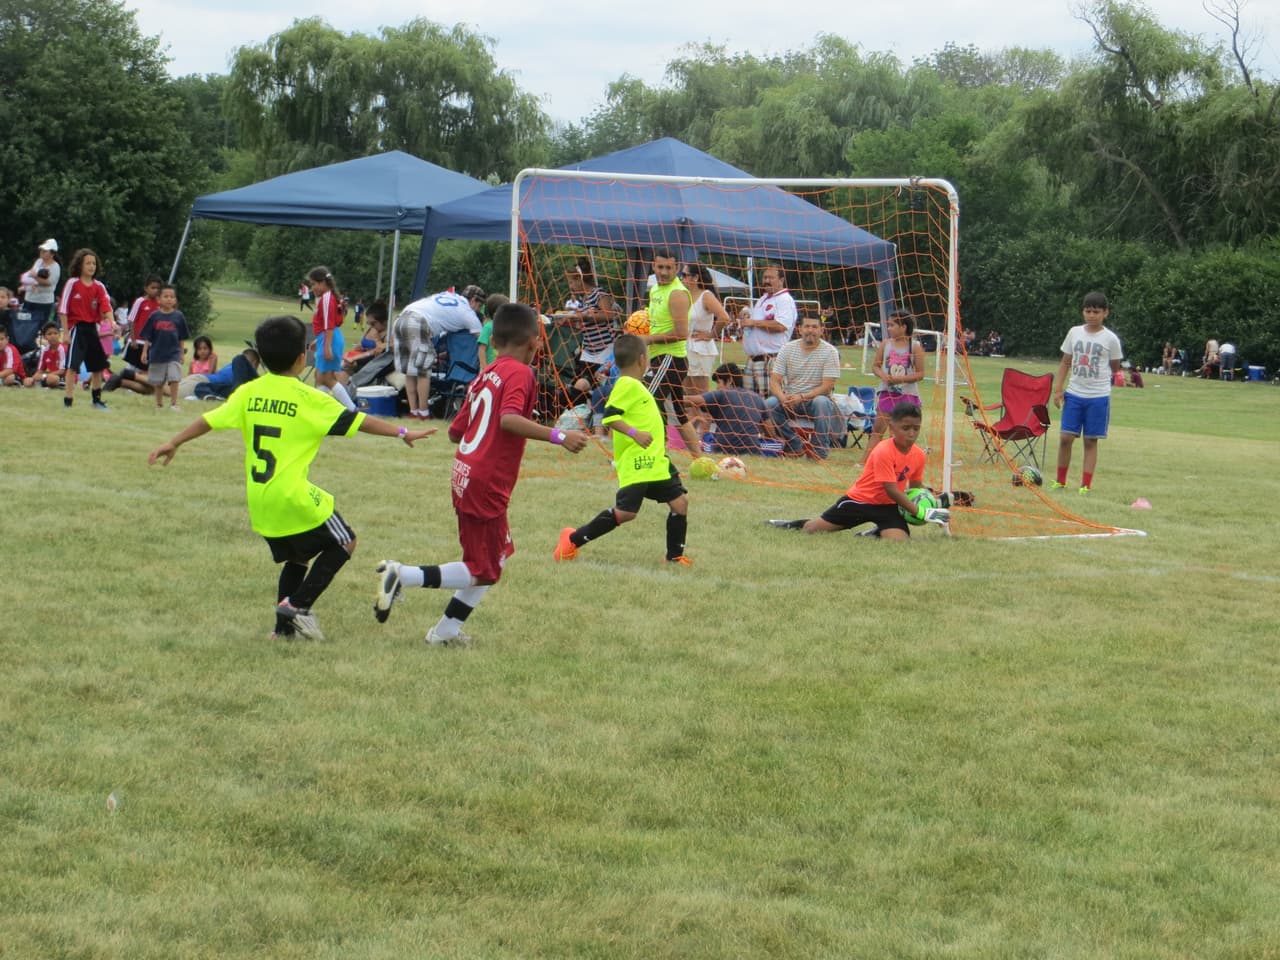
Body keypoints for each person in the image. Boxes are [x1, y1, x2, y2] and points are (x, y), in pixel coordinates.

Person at [149, 314, 436, 641]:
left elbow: (208, 420)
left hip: (261, 499)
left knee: (300, 556)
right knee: (345, 541)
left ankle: (282, 631)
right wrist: (402, 431)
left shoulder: (249, 392)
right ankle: (298, 606)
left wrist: (174, 441)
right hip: (293, 495)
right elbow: (358, 420)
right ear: (303, 358)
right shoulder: (308, 399)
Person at [372, 303, 588, 645]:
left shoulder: (485, 373)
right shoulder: (520, 373)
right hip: (485, 481)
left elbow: (455, 432)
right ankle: (402, 575)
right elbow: (508, 419)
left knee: (497, 557)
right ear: (534, 342)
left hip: (466, 474)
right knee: (482, 569)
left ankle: (445, 632)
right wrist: (559, 436)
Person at [553, 333, 693, 567]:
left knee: (680, 503)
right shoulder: (626, 385)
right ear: (642, 359)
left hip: (656, 461)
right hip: (638, 462)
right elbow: (610, 417)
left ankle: (675, 558)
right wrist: (634, 434)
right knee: (626, 513)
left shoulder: (635, 385)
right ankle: (572, 539)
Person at [766, 403, 948, 538]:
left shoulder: (919, 455)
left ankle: (873, 533)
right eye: (906, 428)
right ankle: (788, 524)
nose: (911, 434)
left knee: (899, 541)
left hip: (888, 507)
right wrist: (920, 512)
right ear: (892, 428)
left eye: (916, 429)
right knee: (813, 530)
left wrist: (931, 504)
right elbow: (891, 489)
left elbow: (916, 488)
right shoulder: (883, 450)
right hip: (860, 501)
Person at [1052, 291, 1123, 494]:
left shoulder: (1110, 339)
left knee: (1090, 440)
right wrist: (1058, 390)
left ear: (1105, 313)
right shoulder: (1075, 332)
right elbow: (1066, 362)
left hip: (1098, 396)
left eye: (1096, 312)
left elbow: (1115, 365)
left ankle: (1085, 485)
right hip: (1074, 393)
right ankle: (1060, 481)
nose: (1091, 315)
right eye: (1088, 311)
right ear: (1083, 312)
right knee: (1066, 437)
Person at [392, 285, 485, 419]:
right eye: (479, 304)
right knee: (423, 372)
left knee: (410, 371)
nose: (478, 309)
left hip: (401, 318)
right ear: (474, 300)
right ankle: (424, 412)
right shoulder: (468, 314)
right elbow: (482, 339)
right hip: (419, 323)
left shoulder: (450, 296)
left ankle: (413, 411)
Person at [642, 249, 700, 451]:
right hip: (661, 357)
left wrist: (648, 339)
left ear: (677, 268)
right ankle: (702, 460)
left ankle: (655, 451)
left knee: (645, 399)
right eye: (660, 267)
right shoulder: (655, 289)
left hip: (672, 359)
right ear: (653, 266)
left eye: (669, 267)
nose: (664, 272)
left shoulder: (677, 294)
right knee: (678, 414)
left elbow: (682, 332)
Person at [766, 315, 843, 458]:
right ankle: (794, 444)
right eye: (807, 326)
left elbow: (827, 386)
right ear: (799, 329)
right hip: (790, 399)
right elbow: (774, 381)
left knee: (822, 402)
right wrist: (783, 399)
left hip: (814, 400)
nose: (810, 330)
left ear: (822, 330)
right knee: (769, 404)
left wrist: (801, 397)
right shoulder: (787, 348)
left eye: (814, 327)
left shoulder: (830, 352)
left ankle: (819, 450)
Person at [862, 310, 927, 463]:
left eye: (892, 325)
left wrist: (901, 379)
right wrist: (883, 375)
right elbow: (876, 366)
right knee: (878, 429)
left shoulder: (915, 347)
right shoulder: (886, 344)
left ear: (903, 327)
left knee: (902, 431)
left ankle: (901, 461)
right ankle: (865, 461)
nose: (889, 328)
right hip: (887, 393)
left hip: (907, 395)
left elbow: (920, 374)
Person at [58, 248, 113, 410]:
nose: (91, 266)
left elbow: (106, 306)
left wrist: (112, 321)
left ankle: (96, 400)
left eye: (94, 263)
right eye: (87, 263)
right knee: (72, 366)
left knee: (98, 367)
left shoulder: (99, 286)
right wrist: (66, 332)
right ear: (80, 265)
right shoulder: (72, 283)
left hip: (92, 329)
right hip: (77, 329)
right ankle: (68, 400)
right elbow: (63, 309)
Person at [684, 362, 768, 455]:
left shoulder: (722, 394)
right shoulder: (758, 399)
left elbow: (689, 400)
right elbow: (770, 431)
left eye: (718, 383)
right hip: (753, 453)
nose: (717, 387)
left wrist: (667, 398)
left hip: (722, 451)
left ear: (730, 380)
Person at [738, 264, 797, 397]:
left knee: (769, 402)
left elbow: (781, 326)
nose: (766, 281)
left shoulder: (785, 300)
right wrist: (747, 315)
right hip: (753, 359)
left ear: (781, 280)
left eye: (771, 277)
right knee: (750, 403)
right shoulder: (763, 298)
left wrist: (753, 322)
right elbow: (756, 322)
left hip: (770, 360)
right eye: (765, 277)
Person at [306, 266, 356, 412]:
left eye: (314, 284)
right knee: (320, 377)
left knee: (327, 378)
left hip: (330, 339)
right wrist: (319, 341)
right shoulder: (328, 297)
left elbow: (329, 324)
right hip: (328, 338)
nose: (312, 288)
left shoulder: (327, 299)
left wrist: (327, 347)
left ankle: (352, 410)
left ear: (322, 283)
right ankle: (318, 410)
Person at [680, 263, 730, 393]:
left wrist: (711, 334)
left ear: (695, 277)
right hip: (684, 348)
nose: (681, 278)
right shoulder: (685, 295)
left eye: (685, 275)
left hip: (699, 348)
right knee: (686, 395)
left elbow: (724, 318)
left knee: (700, 396)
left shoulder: (706, 295)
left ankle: (704, 414)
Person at [139, 285, 190, 410]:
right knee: (158, 381)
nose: (169, 299)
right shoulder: (154, 316)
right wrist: (144, 352)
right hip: (157, 354)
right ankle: (159, 404)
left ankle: (173, 403)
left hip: (173, 354)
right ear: (159, 299)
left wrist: (182, 353)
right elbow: (148, 337)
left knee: (174, 378)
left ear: (175, 300)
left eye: (172, 297)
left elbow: (182, 337)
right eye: (165, 296)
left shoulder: (179, 316)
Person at [191, 343, 260, 401]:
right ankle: (215, 397)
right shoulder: (233, 372)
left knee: (239, 358)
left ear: (254, 363)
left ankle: (237, 393)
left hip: (245, 389)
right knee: (200, 386)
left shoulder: (255, 379)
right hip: (235, 390)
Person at [22, 240, 61, 331]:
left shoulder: (55, 267)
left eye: (45, 251)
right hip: (29, 299)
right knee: (25, 325)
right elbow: (30, 273)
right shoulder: (38, 261)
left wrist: (35, 277)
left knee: (40, 327)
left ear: (52, 254)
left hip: (43, 302)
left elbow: (48, 282)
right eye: (41, 250)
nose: (42, 253)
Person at [23, 323, 67, 387]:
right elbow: (40, 371)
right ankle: (41, 384)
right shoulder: (45, 350)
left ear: (59, 335)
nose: (53, 336)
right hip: (49, 376)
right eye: (49, 334)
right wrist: (33, 378)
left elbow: (62, 371)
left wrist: (44, 376)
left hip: (64, 377)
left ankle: (42, 384)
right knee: (27, 381)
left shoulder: (62, 349)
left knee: (53, 379)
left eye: (55, 333)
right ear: (44, 337)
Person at [476, 293, 509, 366]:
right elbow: (481, 349)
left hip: (500, 368)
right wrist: (484, 367)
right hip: (489, 370)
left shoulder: (505, 327)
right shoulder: (488, 327)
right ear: (495, 313)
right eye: (506, 311)